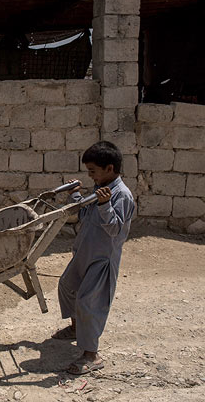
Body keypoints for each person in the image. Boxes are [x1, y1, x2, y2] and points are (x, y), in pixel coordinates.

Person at [52, 141, 135, 375]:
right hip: (84, 252)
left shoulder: (121, 195)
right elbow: (84, 212)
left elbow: (116, 229)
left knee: (89, 303)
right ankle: (76, 329)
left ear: (109, 168)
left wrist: (105, 204)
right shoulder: (100, 188)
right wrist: (75, 194)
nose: (91, 176)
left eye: (93, 171)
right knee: (67, 287)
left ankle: (91, 354)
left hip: (102, 258)